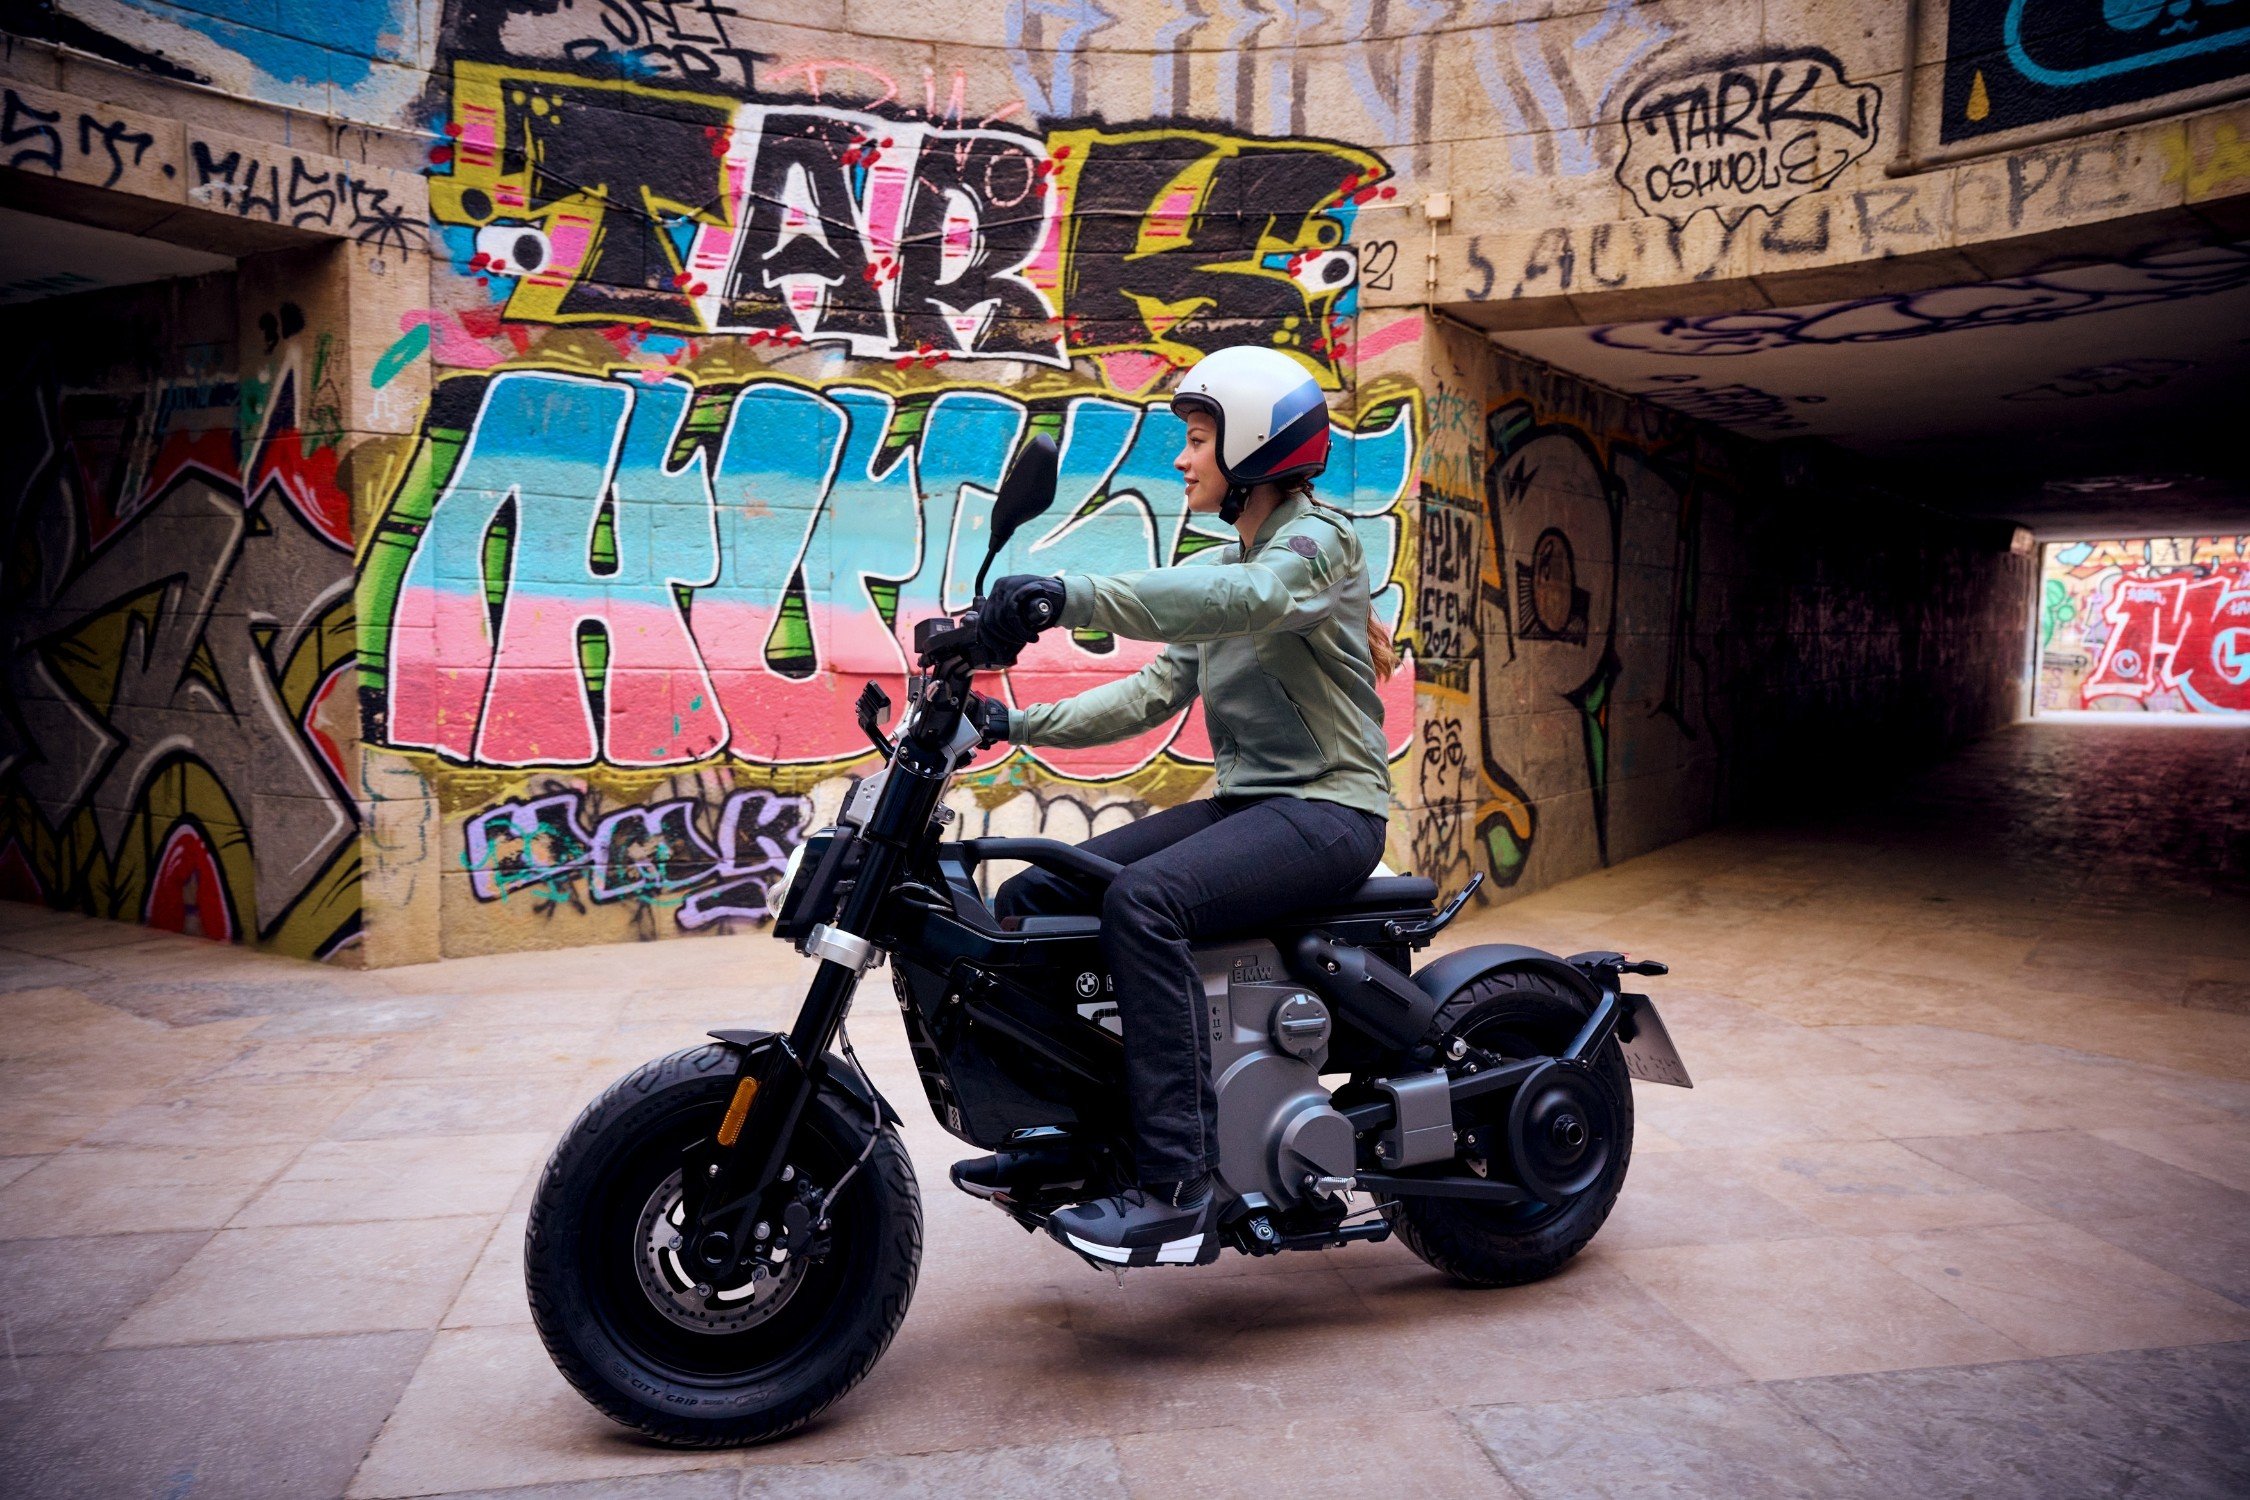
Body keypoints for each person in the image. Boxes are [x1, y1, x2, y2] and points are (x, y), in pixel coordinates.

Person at [949, 344, 1399, 1267]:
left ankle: (1180, 1186)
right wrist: (1010, 723)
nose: (1182, 459)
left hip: (1331, 813)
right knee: (1037, 894)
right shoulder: (1231, 564)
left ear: (1255, 445)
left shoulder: (1315, 545)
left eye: (1198, 439)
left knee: (1143, 902)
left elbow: (1252, 595)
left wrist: (1068, 595)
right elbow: (1150, 693)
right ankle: (1065, 1137)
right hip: (1255, 806)